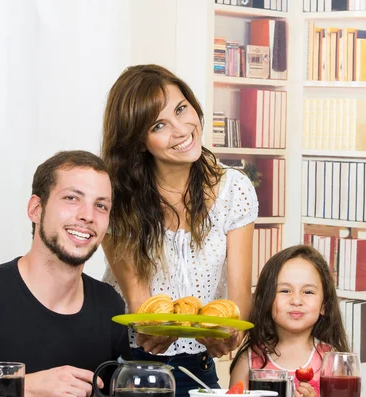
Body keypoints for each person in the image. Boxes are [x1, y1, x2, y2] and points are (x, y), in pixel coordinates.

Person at [100, 64, 258, 396]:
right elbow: (141, 303)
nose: (181, 129)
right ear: (139, 141)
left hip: (199, 367)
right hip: (130, 365)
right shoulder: (118, 199)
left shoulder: (235, 190)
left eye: (181, 109)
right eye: (159, 125)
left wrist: (229, 334)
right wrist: (156, 330)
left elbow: (239, 297)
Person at [0, 150, 131, 397]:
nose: (88, 215)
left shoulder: (110, 305)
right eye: (72, 198)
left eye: (101, 205)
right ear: (35, 209)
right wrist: (22, 387)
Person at [229, 245, 349, 397]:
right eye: (285, 291)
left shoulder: (333, 361)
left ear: (324, 305)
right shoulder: (249, 361)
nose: (296, 300)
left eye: (308, 292)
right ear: (268, 299)